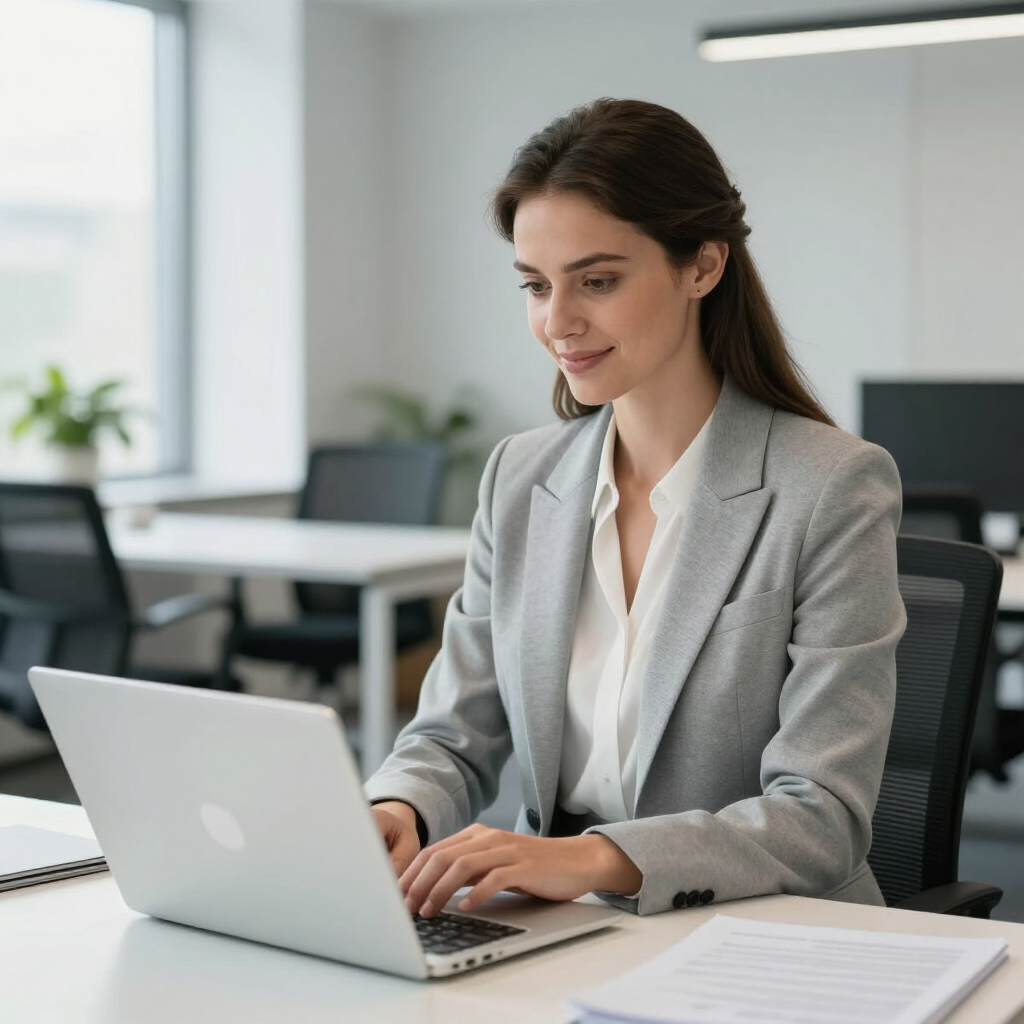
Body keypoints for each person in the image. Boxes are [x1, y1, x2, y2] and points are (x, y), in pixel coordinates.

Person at [365, 97, 905, 919]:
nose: (557, 322)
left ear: (703, 266)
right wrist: (395, 810)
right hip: (552, 922)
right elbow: (450, 732)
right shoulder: (519, 477)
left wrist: (590, 859)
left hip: (751, 929)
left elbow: (820, 814)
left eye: (598, 281)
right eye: (536, 286)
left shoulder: (831, 485)